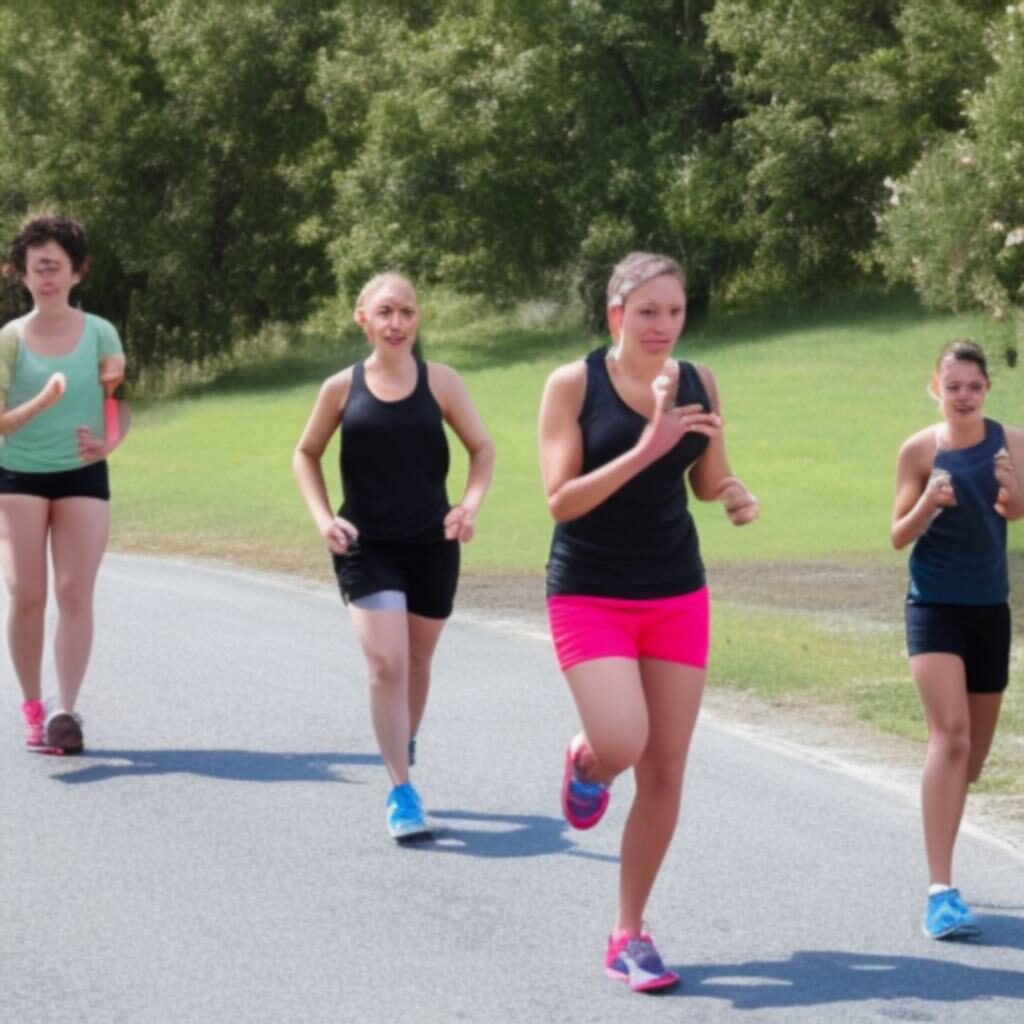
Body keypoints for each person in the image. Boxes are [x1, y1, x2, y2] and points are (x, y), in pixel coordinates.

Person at [538, 252, 758, 992]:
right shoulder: (574, 385)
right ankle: (589, 759)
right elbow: (561, 500)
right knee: (624, 744)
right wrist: (644, 447)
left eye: (675, 311)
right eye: (647, 313)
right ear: (615, 317)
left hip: (675, 592)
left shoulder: (700, 380)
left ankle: (628, 933)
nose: (663, 326)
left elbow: (703, 478)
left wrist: (731, 493)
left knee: (665, 767)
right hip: (589, 591)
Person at [293, 272, 495, 842]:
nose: (397, 323)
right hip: (367, 546)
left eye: (406, 312)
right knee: (388, 664)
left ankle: (400, 735)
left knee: (420, 661)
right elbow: (306, 454)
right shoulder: (340, 388)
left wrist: (469, 506)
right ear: (363, 319)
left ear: (418, 318)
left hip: (434, 543)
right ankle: (401, 791)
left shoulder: (442, 383)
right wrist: (322, 517)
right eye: (385, 312)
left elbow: (482, 449)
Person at [891, 339, 1022, 940]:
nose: (963, 397)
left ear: (986, 389)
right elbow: (898, 534)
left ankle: (939, 807)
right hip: (934, 607)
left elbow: (1014, 512)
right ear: (935, 390)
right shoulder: (919, 450)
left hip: (989, 609)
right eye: (953, 387)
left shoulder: (1013, 443)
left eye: (973, 386)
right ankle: (941, 891)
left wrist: (1013, 497)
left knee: (969, 761)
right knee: (951, 736)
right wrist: (927, 502)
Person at [0, 214, 127, 754]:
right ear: (22, 276)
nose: (46, 277)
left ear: (77, 272)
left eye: (56, 267)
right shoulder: (8, 339)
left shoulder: (101, 334)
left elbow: (117, 406)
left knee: (75, 592)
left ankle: (65, 711)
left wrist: (109, 443)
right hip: (17, 473)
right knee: (27, 595)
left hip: (82, 473)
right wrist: (45, 399)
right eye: (37, 268)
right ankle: (32, 705)